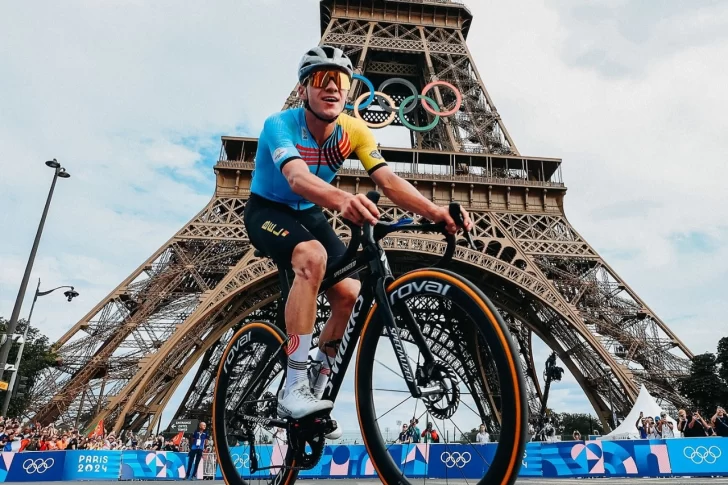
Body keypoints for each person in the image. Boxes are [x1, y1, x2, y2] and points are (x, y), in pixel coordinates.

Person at [244, 45, 473, 439]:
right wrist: (344, 199)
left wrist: (435, 213)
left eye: (341, 81)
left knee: (349, 295)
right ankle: (294, 384)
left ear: (350, 90)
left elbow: (387, 182)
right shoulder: (279, 124)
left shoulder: (355, 130)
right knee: (312, 257)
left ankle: (315, 389)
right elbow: (297, 179)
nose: (331, 87)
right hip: (268, 210)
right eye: (321, 79)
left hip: (311, 213)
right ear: (303, 90)